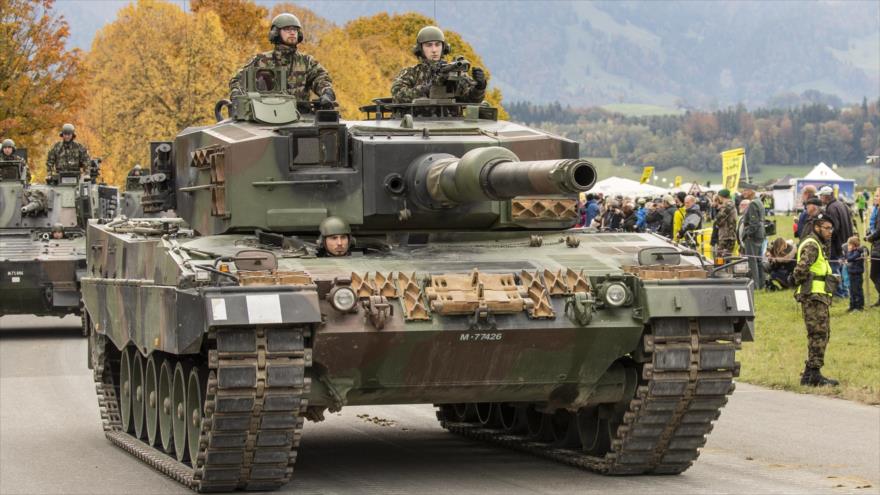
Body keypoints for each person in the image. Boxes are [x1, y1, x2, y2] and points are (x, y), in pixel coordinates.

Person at [229, 13, 335, 108]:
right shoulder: (261, 60)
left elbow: (321, 78)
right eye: (287, 29)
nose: (292, 33)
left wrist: (327, 93)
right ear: (276, 33)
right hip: (266, 115)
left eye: (295, 30)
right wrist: (236, 94)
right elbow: (238, 79)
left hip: (300, 116)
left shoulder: (307, 61)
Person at [793, 214, 839, 387]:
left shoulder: (818, 244)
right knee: (818, 334)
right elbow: (801, 269)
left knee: (821, 334)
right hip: (813, 296)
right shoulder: (812, 244)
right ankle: (814, 374)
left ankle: (809, 374)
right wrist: (798, 281)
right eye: (827, 228)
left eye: (831, 229)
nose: (830, 232)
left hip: (819, 295)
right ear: (817, 227)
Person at [391, 26, 487, 104]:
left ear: (444, 47)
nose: (434, 50)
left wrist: (480, 86)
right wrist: (427, 88)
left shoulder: (453, 73)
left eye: (437, 45)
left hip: (451, 123)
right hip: (418, 123)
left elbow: (473, 99)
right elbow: (398, 96)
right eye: (429, 45)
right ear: (420, 49)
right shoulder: (411, 73)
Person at [819, 186, 853, 298]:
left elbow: (834, 228)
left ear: (826, 196)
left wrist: (826, 239)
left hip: (836, 244)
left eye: (821, 196)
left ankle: (840, 293)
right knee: (842, 269)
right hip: (845, 242)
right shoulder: (842, 204)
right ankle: (845, 292)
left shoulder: (831, 208)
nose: (820, 198)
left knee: (834, 268)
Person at [741, 189, 766, 290]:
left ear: (751, 191)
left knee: (753, 260)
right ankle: (761, 284)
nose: (743, 193)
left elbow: (754, 222)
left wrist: (747, 234)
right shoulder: (759, 201)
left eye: (745, 191)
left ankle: (755, 285)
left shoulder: (753, 203)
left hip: (753, 235)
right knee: (759, 261)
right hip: (760, 233)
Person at [866, 191, 880, 307]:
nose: (875, 197)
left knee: (874, 275)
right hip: (877, 244)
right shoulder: (876, 210)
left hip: (879, 247)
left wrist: (869, 238)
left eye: (877, 195)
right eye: (874, 194)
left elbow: (879, 231)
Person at [713, 189, 737, 258]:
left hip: (726, 236)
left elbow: (719, 219)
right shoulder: (730, 204)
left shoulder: (727, 205)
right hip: (730, 235)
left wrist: (716, 222)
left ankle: (721, 269)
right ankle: (727, 269)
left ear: (721, 196)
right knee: (727, 259)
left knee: (720, 259)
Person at [844, 236, 865, 312]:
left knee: (857, 291)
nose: (848, 246)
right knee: (851, 291)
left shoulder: (858, 252)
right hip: (851, 274)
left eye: (849, 245)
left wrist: (847, 259)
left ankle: (859, 307)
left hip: (857, 275)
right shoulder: (850, 252)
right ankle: (852, 305)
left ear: (854, 245)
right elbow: (847, 257)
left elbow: (851, 258)